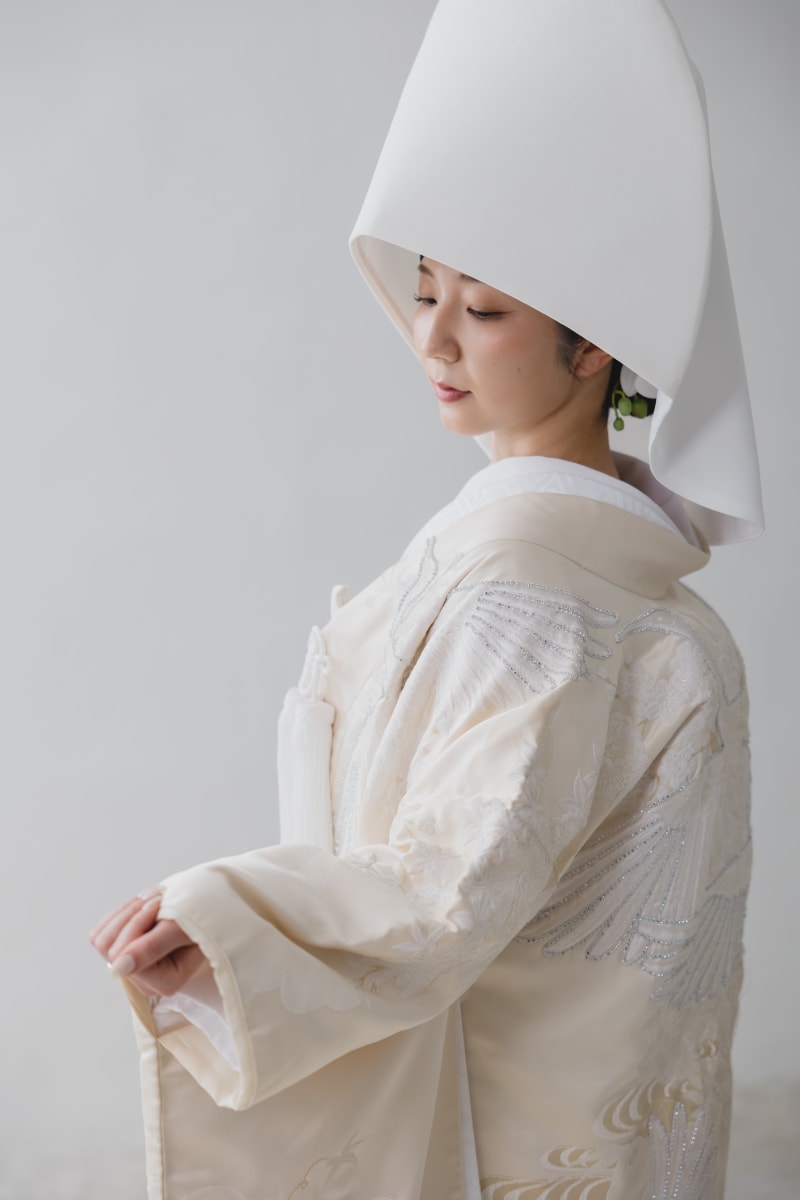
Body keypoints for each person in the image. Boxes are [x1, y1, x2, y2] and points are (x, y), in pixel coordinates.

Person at [90, 2, 764, 1197]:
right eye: (425, 291)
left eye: (485, 309)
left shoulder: (529, 590)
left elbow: (452, 884)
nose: (433, 339)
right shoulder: (624, 573)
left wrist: (230, 924)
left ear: (593, 347)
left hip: (502, 1124)